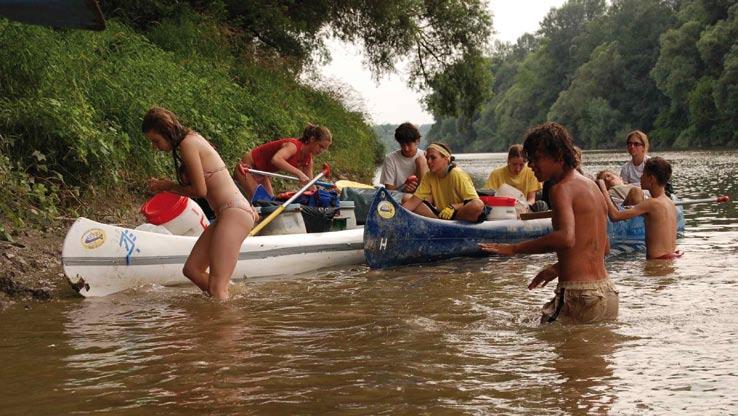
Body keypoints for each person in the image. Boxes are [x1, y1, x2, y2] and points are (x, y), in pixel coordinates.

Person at [479, 122, 618, 324]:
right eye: (530, 159)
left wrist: (514, 248)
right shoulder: (592, 187)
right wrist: (556, 268)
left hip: (579, 294)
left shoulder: (561, 189)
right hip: (606, 293)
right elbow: (604, 248)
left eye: (537, 158)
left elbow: (565, 238)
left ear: (559, 156)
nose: (531, 165)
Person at [143, 107, 257, 300]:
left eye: (156, 141)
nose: (155, 146)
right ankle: (229, 300)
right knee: (192, 270)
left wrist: (167, 186)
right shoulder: (190, 140)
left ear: (168, 131)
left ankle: (225, 319)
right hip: (226, 214)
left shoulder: (188, 143)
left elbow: (199, 191)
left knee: (216, 286)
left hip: (235, 212)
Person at [598, 157, 680, 260]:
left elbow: (615, 216)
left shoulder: (651, 203)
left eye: (643, 174)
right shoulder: (670, 203)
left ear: (651, 179)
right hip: (671, 260)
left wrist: (603, 190)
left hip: (656, 265)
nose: (640, 178)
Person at [234, 124, 332, 199]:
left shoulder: (308, 160)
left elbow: (309, 184)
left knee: (271, 203)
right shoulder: (293, 146)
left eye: (325, 149)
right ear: (312, 139)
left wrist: (318, 197)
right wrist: (298, 173)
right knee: (261, 201)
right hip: (247, 168)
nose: (321, 151)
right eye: (321, 146)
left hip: (261, 174)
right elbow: (276, 160)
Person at [401, 143, 485, 222]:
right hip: (440, 215)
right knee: (406, 198)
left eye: (433, 158)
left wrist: (454, 207)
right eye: (427, 158)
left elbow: (474, 201)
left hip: (459, 214)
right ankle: (438, 223)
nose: (429, 161)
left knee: (477, 205)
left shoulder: (457, 174)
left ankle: (449, 224)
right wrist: (396, 215)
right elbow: (413, 201)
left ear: (446, 159)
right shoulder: (428, 176)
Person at [379, 122, 428, 197]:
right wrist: (404, 189)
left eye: (409, 144)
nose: (406, 149)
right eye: (402, 145)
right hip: (399, 198)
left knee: (421, 161)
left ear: (417, 141)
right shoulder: (390, 158)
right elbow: (389, 190)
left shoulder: (425, 156)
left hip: (421, 197)